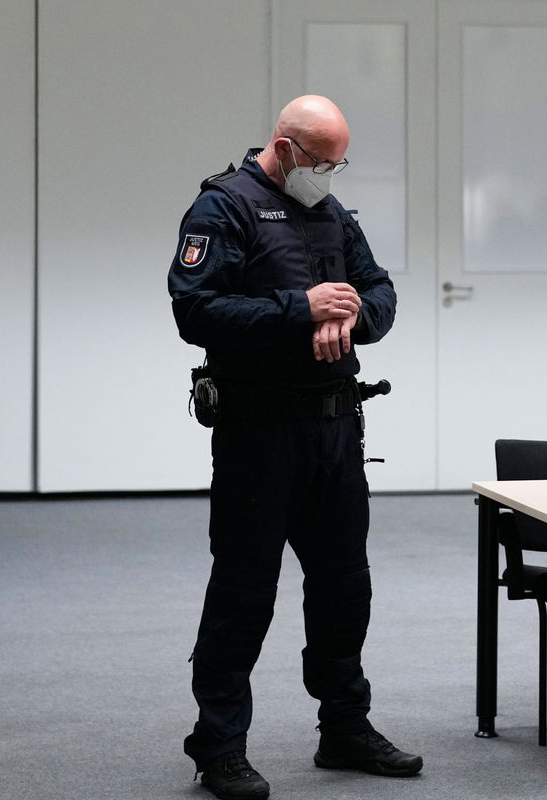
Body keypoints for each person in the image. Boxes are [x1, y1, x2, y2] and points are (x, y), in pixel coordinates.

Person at [168, 95, 421, 800]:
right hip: (260, 434)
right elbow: (196, 309)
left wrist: (349, 321)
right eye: (320, 162)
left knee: (344, 587)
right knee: (244, 592)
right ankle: (218, 745)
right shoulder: (223, 210)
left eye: (340, 164)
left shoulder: (331, 213)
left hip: (336, 433)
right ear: (283, 148)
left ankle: (344, 726)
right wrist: (298, 311)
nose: (330, 175)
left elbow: (380, 293)